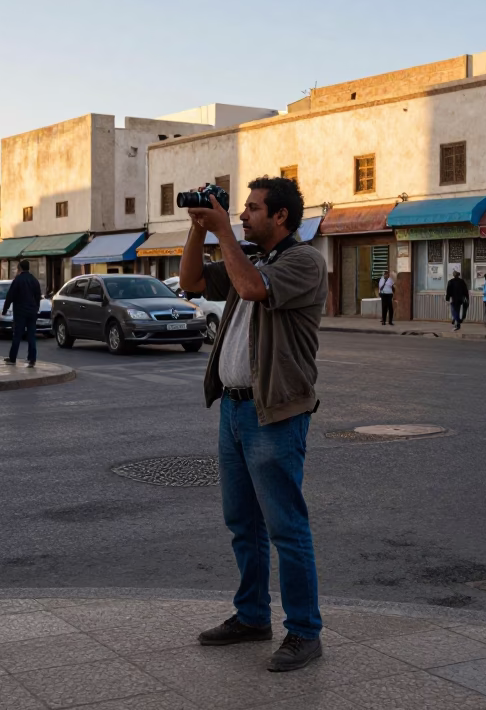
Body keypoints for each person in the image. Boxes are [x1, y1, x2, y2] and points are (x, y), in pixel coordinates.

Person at [179, 177, 327, 673]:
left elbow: (250, 289)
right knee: (242, 523)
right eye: (238, 209)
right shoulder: (252, 258)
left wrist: (221, 229)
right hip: (235, 410)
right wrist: (200, 227)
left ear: (280, 216)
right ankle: (252, 616)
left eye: (251, 209)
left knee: (286, 527)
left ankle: (305, 631)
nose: (242, 215)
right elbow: (192, 282)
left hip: (276, 412)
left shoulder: (303, 262)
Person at [2, 260, 42, 367]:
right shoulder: (34, 280)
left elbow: (10, 295)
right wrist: (36, 308)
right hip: (32, 311)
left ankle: (13, 358)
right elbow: (38, 296)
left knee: (17, 335)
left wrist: (5, 309)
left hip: (20, 311)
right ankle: (32, 359)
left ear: (20, 268)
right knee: (31, 336)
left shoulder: (18, 280)